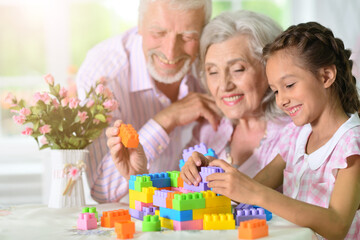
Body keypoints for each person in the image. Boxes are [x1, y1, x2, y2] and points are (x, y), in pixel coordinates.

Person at [190, 22, 360, 239]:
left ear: (326, 76)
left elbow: (337, 226)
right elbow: (248, 189)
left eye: (289, 85)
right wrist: (208, 171)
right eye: (275, 91)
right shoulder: (296, 136)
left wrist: (257, 194)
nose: (281, 100)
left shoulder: (351, 144)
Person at [76, 0, 220, 203]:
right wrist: (166, 119)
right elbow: (102, 190)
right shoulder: (103, 75)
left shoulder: (212, 64)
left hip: (190, 210)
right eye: (159, 33)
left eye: (188, 36)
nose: (170, 52)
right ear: (139, 25)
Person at [180, 10, 289, 186]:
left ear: (270, 69)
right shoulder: (208, 130)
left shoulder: (296, 134)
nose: (224, 86)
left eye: (238, 69)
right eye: (213, 72)